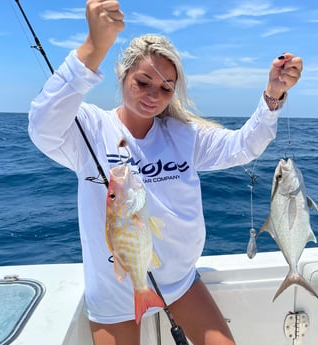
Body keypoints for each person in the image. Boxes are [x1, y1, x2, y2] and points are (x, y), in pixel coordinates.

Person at [28, 1, 303, 344]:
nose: (152, 96)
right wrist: (92, 49)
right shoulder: (90, 128)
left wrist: (273, 96)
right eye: (143, 82)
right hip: (115, 291)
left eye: (165, 88)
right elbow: (43, 127)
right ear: (122, 75)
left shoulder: (182, 134)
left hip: (181, 282)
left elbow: (243, 147)